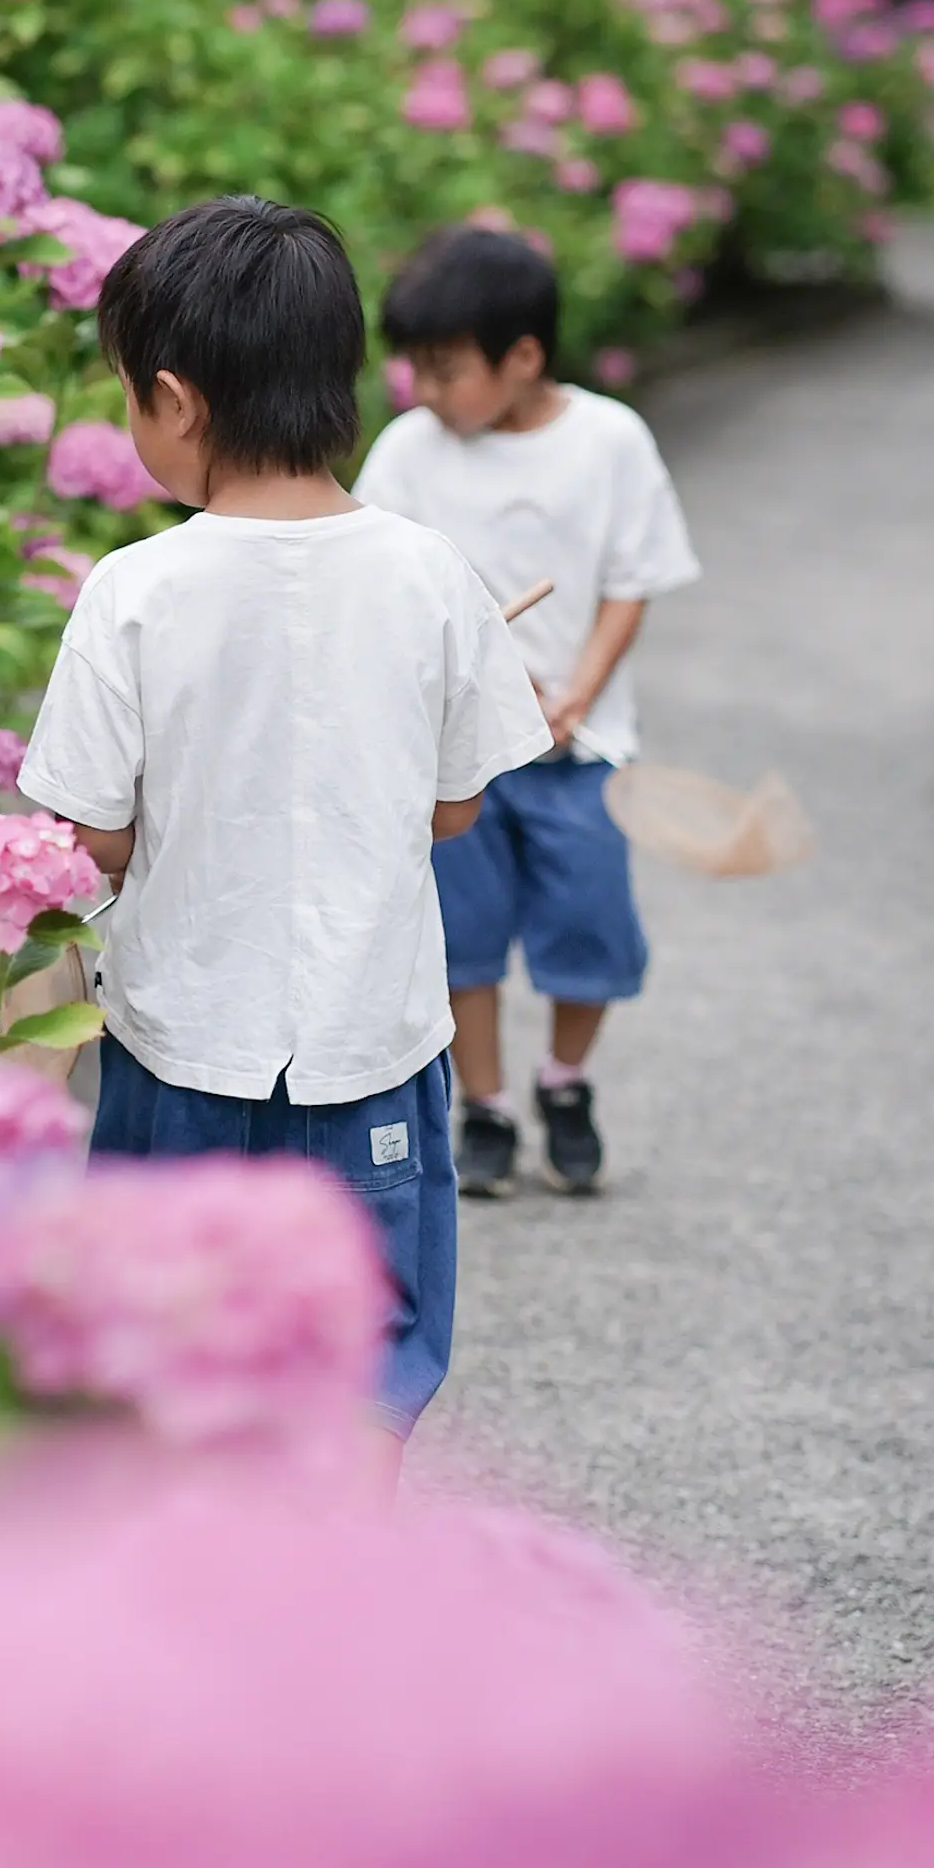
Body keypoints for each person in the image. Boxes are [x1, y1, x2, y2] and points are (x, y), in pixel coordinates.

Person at [17, 196, 549, 1463]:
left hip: (182, 1045)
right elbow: (460, 802)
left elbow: (86, 835)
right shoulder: (431, 574)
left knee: (163, 1358)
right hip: (371, 1040)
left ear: (174, 399)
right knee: (363, 1361)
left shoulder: (135, 591)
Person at [355, 225, 701, 1199]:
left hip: (579, 750)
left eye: (447, 369)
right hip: (461, 759)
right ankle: (490, 1106)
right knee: (463, 938)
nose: (425, 390)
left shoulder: (609, 441)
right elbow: (381, 585)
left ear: (524, 357)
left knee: (589, 929)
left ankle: (566, 1081)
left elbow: (632, 581)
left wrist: (580, 690)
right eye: (416, 367)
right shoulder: (410, 452)